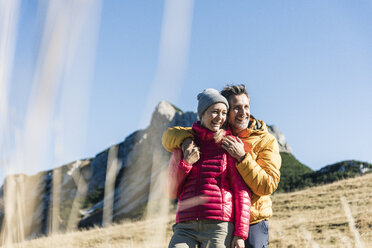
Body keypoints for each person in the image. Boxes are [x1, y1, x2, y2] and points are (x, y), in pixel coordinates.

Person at [162, 84, 281, 248]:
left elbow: (267, 185)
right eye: (236, 108)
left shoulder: (265, 139)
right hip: (213, 220)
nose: (243, 112)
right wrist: (186, 141)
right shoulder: (212, 137)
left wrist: (242, 157)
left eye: (246, 107)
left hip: (253, 219)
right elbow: (169, 135)